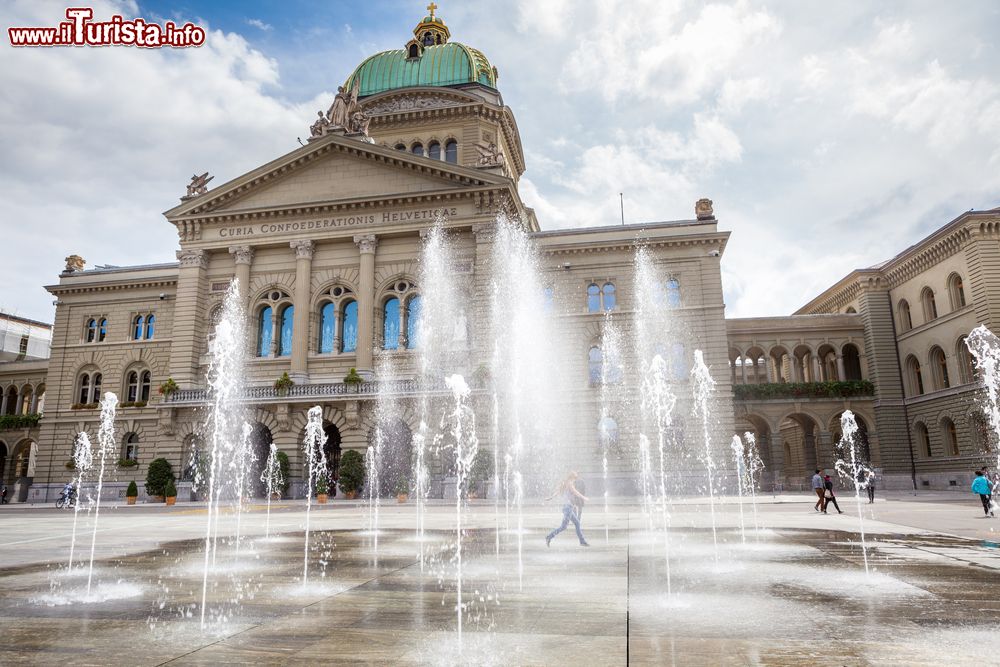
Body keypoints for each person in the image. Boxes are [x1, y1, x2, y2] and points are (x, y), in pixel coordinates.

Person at [545, 471, 590, 547]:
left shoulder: (565, 483)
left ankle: (582, 541)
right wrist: (583, 497)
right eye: (576, 476)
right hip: (568, 508)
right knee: (563, 527)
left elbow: (557, 492)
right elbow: (575, 492)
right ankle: (549, 536)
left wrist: (550, 498)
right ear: (572, 477)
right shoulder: (569, 484)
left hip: (568, 507)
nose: (576, 477)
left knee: (577, 523)